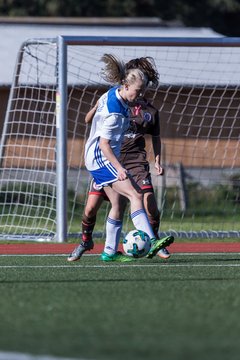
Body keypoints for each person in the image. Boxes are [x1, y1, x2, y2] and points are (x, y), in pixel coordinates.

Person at [68, 54, 174, 262]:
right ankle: (152, 241)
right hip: (102, 159)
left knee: (118, 204)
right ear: (126, 85)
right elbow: (104, 145)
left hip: (99, 157)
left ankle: (108, 252)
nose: (141, 95)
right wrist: (119, 168)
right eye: (138, 91)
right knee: (135, 195)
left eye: (143, 91)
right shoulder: (116, 114)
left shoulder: (113, 93)